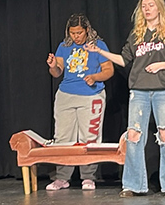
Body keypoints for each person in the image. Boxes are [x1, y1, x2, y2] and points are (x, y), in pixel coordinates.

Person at [87, 0, 165, 197]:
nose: (147, 9)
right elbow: (123, 60)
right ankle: (133, 185)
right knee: (134, 136)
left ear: (159, 9)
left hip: (164, 89)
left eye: (151, 5)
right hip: (139, 90)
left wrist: (161, 65)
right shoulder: (136, 34)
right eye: (143, 6)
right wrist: (100, 52)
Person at [44, 14, 115, 191]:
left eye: (79, 32)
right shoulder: (64, 46)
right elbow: (57, 72)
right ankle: (62, 178)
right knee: (62, 138)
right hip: (66, 95)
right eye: (72, 32)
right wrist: (52, 65)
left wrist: (95, 77)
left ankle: (88, 177)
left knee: (89, 137)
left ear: (87, 30)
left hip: (91, 95)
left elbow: (109, 69)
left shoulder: (98, 46)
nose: (76, 36)